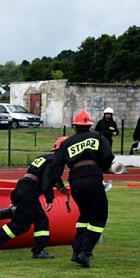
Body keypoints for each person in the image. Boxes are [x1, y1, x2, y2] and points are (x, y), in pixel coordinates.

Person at [44, 110, 114, 268]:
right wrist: (99, 170)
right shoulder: (97, 136)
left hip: (75, 180)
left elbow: (54, 168)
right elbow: (108, 156)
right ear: (89, 124)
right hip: (93, 177)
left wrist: (59, 184)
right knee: (99, 216)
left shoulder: (66, 142)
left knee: (85, 215)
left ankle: (76, 251)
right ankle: (85, 252)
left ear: (74, 126)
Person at [0, 137, 67, 260]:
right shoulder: (56, 160)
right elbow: (48, 178)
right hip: (29, 192)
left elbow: (53, 177)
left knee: (41, 221)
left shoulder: (45, 157)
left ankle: (38, 251)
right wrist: (49, 198)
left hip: (22, 189)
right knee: (21, 225)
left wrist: (61, 188)